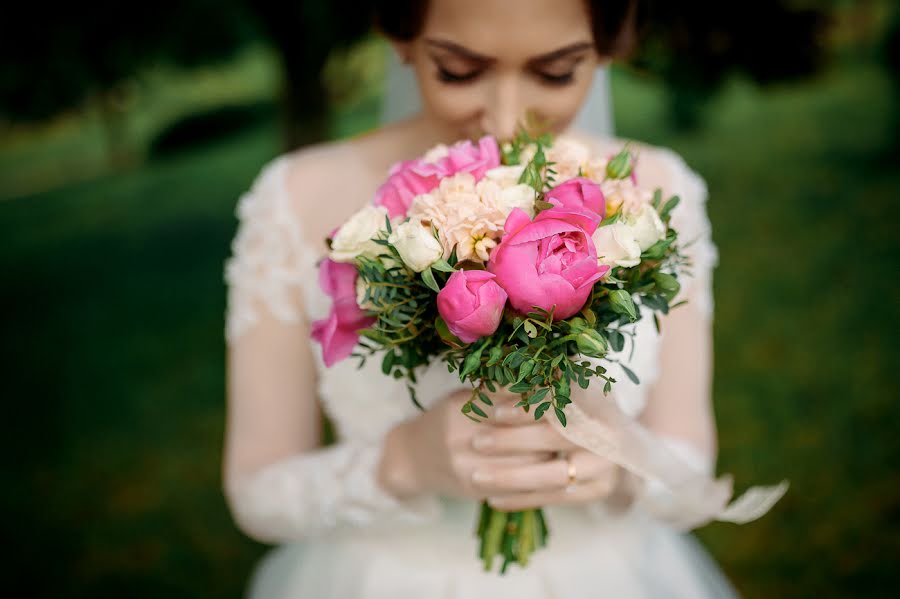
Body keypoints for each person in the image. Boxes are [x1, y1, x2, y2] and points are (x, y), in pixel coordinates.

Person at [221, 0, 740, 596]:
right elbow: (257, 494)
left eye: (555, 73)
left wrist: (621, 464)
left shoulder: (656, 193)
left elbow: (692, 469)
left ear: (602, 48)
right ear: (403, 37)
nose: (504, 117)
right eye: (460, 71)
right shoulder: (297, 197)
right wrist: (402, 463)